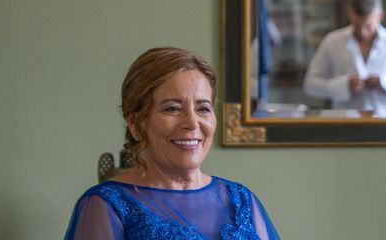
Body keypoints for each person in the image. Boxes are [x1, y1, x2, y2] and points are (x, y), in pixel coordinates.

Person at [64, 47, 279, 240]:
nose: (192, 123)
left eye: (203, 108)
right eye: (172, 108)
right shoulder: (106, 205)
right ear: (135, 123)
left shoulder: (241, 199)